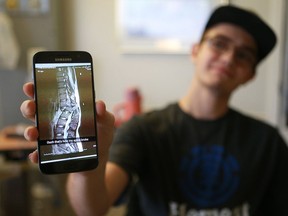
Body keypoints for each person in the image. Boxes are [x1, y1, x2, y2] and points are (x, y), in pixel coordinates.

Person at [20, 5, 288, 216]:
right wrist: (91, 165)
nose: (229, 57)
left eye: (243, 55)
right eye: (219, 43)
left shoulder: (269, 142)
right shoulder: (144, 129)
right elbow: (91, 209)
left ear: (250, 75)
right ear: (195, 50)